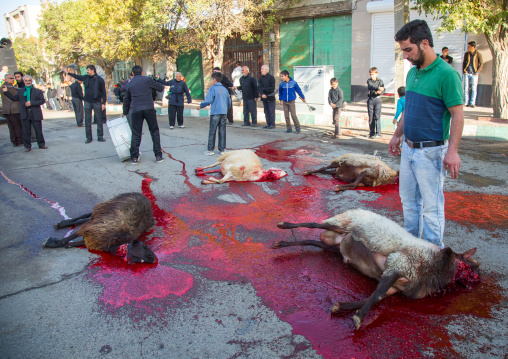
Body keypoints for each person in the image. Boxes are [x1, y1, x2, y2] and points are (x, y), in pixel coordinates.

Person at [389, 19, 464, 248]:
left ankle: (434, 255)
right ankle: (411, 248)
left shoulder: (447, 74)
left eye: (408, 50)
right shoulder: (413, 74)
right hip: (408, 150)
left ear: (424, 44)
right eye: (403, 50)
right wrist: (396, 135)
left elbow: (458, 116)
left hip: (431, 152)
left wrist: (452, 152)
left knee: (432, 208)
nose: (405, 56)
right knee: (409, 204)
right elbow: (408, 110)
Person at [123, 65, 165, 165]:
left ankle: (134, 157)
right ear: (142, 72)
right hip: (149, 108)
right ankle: (158, 155)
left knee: (136, 133)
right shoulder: (147, 80)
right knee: (154, 131)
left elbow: (126, 100)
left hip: (136, 110)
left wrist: (125, 112)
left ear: (132, 73)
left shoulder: (129, 84)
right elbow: (160, 87)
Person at [2, 75, 48, 151]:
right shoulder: (20, 91)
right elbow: (14, 98)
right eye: (26, 80)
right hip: (24, 113)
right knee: (26, 131)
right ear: (24, 81)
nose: (28, 82)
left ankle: (41, 144)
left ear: (31, 81)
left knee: (38, 130)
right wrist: (6, 92)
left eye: (29, 80)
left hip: (35, 113)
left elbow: (42, 101)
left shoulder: (38, 91)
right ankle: (28, 146)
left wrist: (32, 103)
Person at [67, 65, 107, 143]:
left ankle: (100, 136)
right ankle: (88, 137)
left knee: (99, 119)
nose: (87, 71)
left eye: (88, 70)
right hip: (88, 101)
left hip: (97, 101)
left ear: (93, 70)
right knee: (87, 120)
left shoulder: (100, 80)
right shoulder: (86, 78)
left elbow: (103, 92)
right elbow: (77, 76)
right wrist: (68, 73)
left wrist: (103, 103)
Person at [197, 72, 231, 156]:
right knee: (222, 130)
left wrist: (201, 106)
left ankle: (210, 149)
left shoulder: (212, 89)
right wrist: (225, 108)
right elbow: (229, 102)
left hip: (215, 112)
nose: (211, 81)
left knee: (212, 130)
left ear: (214, 79)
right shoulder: (225, 89)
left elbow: (208, 100)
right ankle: (222, 149)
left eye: (212, 79)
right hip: (223, 112)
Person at [1, 74, 23, 147]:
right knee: (17, 126)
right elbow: (15, 96)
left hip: (9, 110)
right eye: (11, 78)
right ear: (6, 79)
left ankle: (15, 141)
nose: (13, 79)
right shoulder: (7, 87)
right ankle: (19, 141)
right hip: (13, 110)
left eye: (13, 78)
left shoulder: (8, 87)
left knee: (12, 127)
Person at [462, 41, 483, 108]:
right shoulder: (466, 54)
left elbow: (481, 63)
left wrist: (477, 72)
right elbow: (464, 63)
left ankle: (472, 103)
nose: (468, 48)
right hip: (467, 72)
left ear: (473, 47)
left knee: (474, 88)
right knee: (466, 88)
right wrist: (464, 71)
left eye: (469, 46)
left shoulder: (478, 54)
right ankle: (466, 102)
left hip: (474, 73)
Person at [367, 67, 384, 139]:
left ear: (377, 74)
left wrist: (380, 90)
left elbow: (383, 89)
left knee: (377, 116)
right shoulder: (369, 81)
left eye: (373, 74)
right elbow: (371, 86)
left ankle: (378, 133)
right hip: (371, 99)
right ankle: (372, 133)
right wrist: (378, 88)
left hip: (377, 100)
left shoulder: (380, 81)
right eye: (371, 74)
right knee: (371, 117)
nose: (372, 76)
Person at [258, 65, 276, 129]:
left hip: (270, 97)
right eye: (261, 69)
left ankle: (272, 124)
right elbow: (259, 87)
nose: (261, 70)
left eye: (262, 69)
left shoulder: (271, 78)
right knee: (266, 111)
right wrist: (262, 93)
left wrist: (264, 90)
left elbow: (272, 88)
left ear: (267, 70)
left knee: (271, 111)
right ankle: (268, 123)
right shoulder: (261, 78)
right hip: (264, 97)